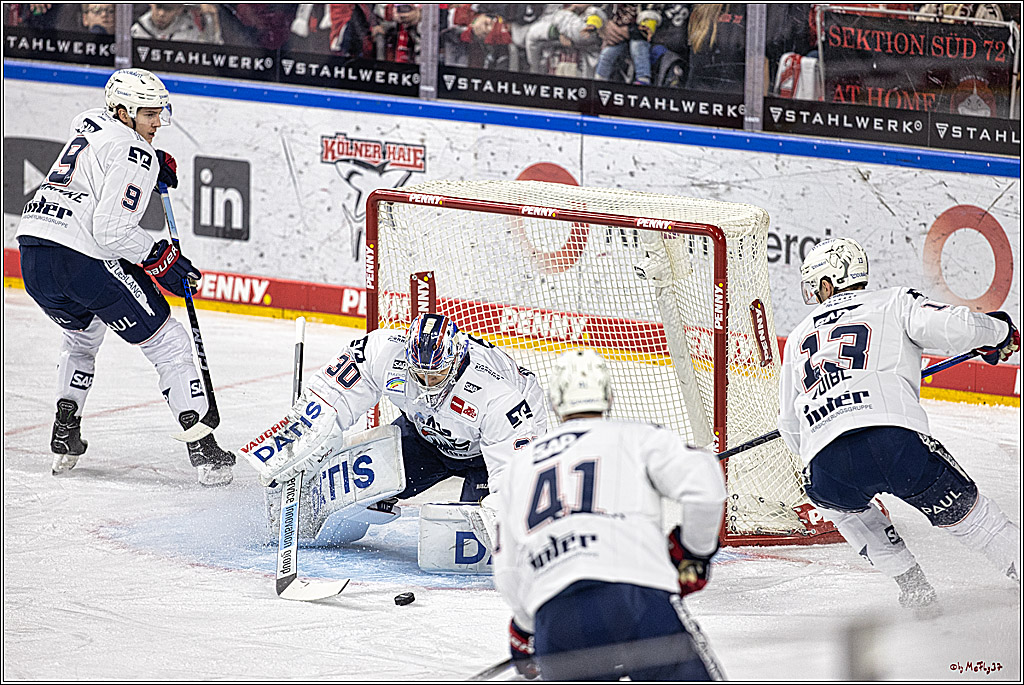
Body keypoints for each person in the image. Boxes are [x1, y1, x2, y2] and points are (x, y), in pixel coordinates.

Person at [16, 68, 236, 487]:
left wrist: (148, 173)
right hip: (80, 258)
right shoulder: (136, 151)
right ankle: (202, 446)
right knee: (168, 342)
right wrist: (161, 260)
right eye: (149, 114)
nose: (158, 123)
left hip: (32, 253)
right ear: (123, 111)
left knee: (82, 337)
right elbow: (111, 231)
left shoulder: (91, 123)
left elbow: (102, 172)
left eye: (160, 113)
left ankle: (66, 428)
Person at [779, 237, 1021, 610]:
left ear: (827, 285)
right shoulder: (894, 301)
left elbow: (789, 425)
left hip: (827, 466)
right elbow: (954, 327)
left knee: (838, 506)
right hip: (896, 446)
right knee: (973, 519)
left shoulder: (797, 337)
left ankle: (912, 585)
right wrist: (999, 332)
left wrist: (825, 442)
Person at [492, 349, 727, 681]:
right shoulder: (635, 436)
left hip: (557, 617)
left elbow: (507, 564)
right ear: (608, 396)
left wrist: (525, 624)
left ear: (555, 403)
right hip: (636, 596)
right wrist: (693, 552)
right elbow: (705, 486)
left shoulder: (520, 465)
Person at [246, 312, 548, 540]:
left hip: (485, 455)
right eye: (419, 375)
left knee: (477, 535)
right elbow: (329, 394)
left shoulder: (498, 394)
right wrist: (304, 436)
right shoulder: (383, 351)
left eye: (436, 376)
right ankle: (297, 519)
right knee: (341, 490)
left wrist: (507, 508)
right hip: (424, 437)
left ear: (456, 362)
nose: (427, 386)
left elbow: (516, 469)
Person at [131, 3, 223, 44]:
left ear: (179, 9)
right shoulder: (136, 29)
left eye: (168, 9)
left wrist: (211, 18)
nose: (161, 14)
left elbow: (210, 52)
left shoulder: (189, 31)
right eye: (158, 7)